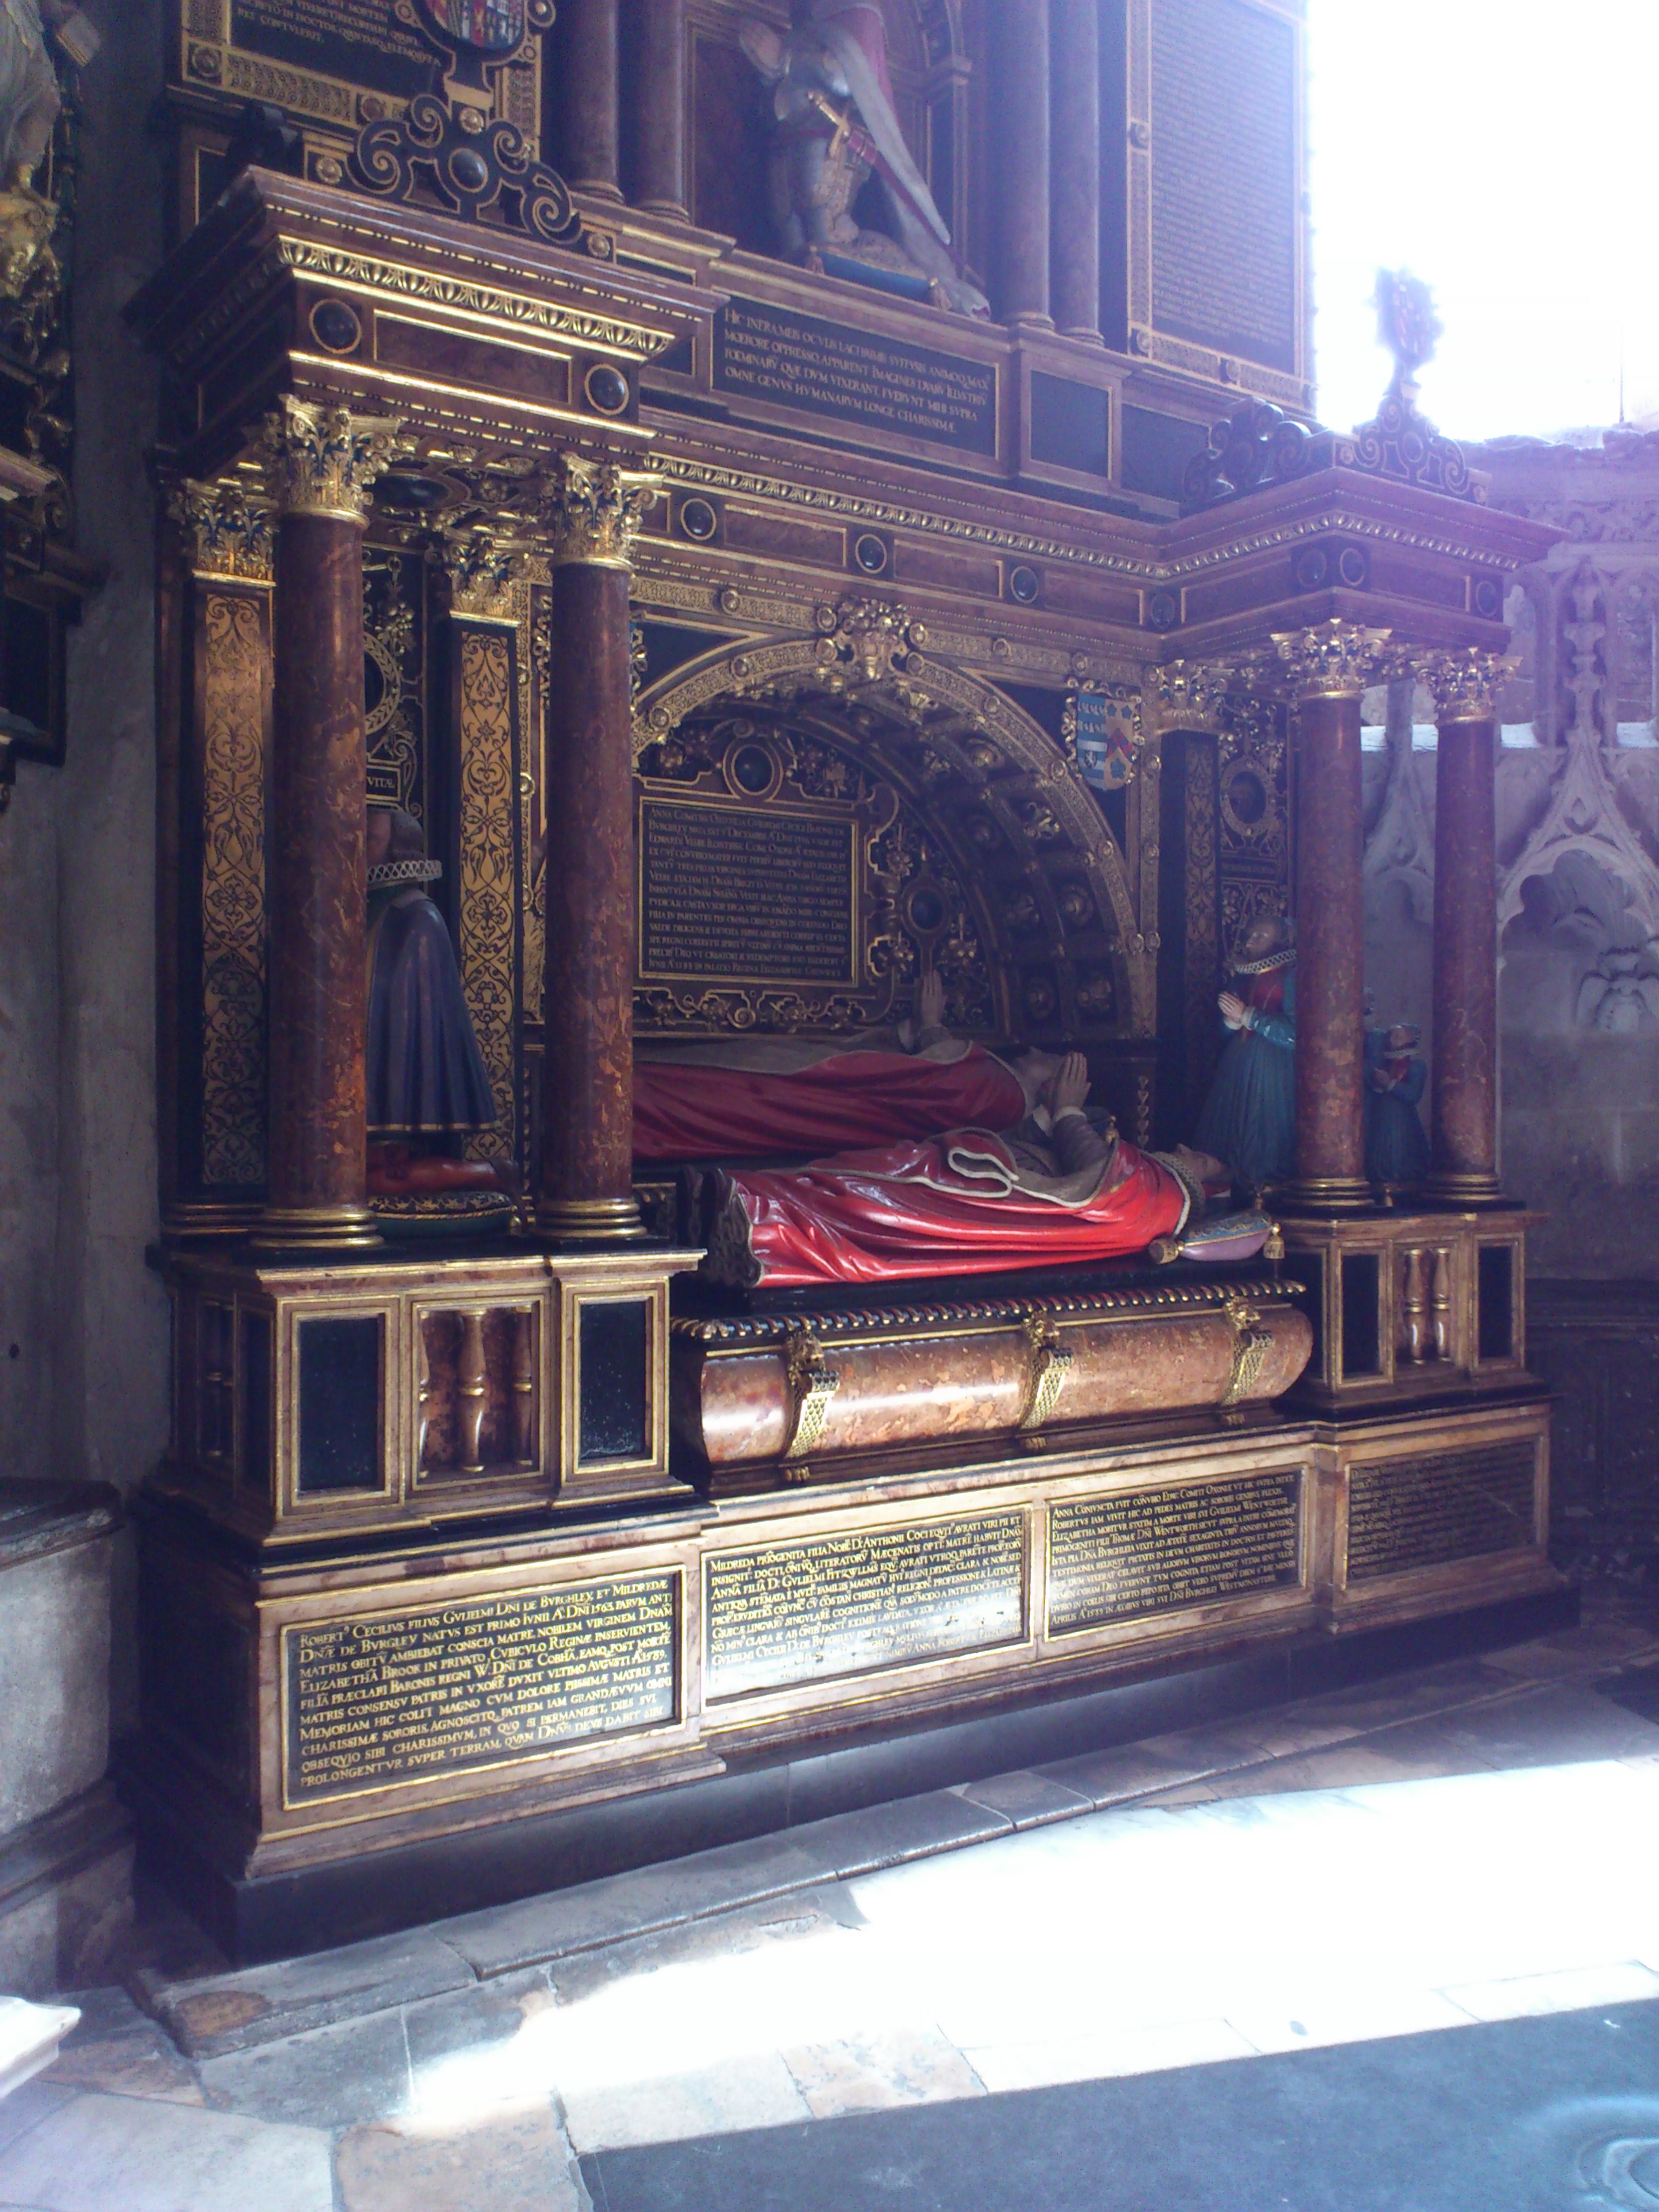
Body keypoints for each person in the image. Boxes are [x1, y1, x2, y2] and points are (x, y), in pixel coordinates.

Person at [699, 1046, 1231, 1289]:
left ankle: (756, 1221)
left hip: (978, 1198)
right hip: (987, 1182)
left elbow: (1095, 1191)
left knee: (866, 1198)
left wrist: (1069, 1110)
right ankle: (751, 1209)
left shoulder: (1168, 1198)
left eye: (1201, 1156)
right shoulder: (1158, 1187)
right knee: (859, 1180)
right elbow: (1063, 1175)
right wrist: (1055, 1115)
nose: (1186, 1146)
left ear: (1205, 1184)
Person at [636, 971, 1044, 1161]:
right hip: (834, 1090)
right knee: (721, 1080)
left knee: (714, 1095)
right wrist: (915, 1032)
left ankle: (625, 1101)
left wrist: (932, 1025)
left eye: (1058, 1059)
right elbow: (913, 1075)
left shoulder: (1005, 1096)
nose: (1043, 1051)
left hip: (826, 1100)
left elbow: (937, 1090)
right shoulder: (1001, 1085)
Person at [363, 804, 501, 1197]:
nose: (360, 847)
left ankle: (487, 1173)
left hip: (394, 1104)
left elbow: (412, 1026)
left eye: (371, 839)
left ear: (397, 851)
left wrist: (396, 1119)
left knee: (368, 1180)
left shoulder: (418, 916)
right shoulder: (361, 910)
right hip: (356, 1082)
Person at [1192, 914, 1297, 1194]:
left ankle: (1263, 1188)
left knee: (1266, 1131)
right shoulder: (1243, 978)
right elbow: (1222, 1032)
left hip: (1274, 1066)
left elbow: (1297, 1034)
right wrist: (1231, 1021)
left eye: (1260, 936)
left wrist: (1250, 1016)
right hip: (1239, 1062)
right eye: (1250, 936)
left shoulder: (1291, 977)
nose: (1250, 942)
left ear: (1280, 942)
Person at [1364, 1021, 1431, 1188]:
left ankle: (1402, 1181)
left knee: (1401, 1152)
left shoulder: (1416, 1066)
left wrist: (1390, 1084)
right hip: (1382, 1116)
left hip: (1402, 1119)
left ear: (1410, 1039)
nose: (1392, 1040)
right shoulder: (1384, 1064)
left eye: (1398, 1036)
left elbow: (1413, 1095)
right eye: (1391, 1036)